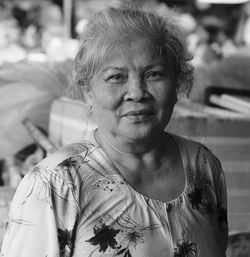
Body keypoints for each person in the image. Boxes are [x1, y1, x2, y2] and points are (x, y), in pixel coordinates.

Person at [1, 6, 228, 257]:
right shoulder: (55, 184)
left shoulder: (204, 165)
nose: (137, 92)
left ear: (178, 83)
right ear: (87, 90)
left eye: (154, 74)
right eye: (116, 77)